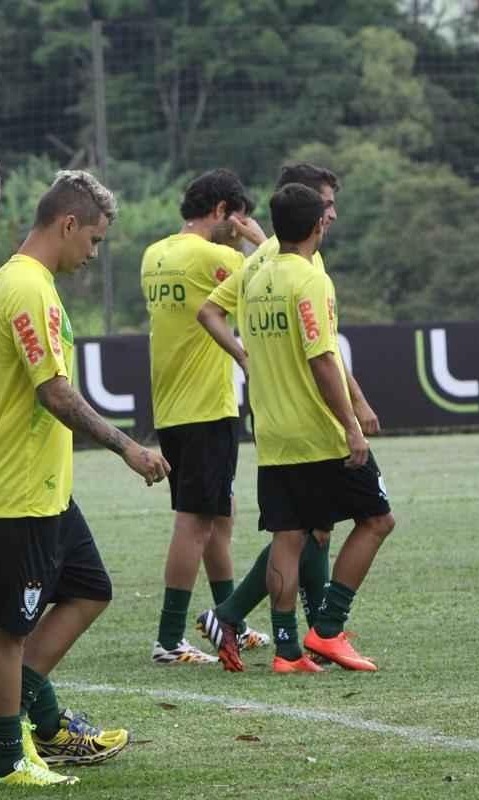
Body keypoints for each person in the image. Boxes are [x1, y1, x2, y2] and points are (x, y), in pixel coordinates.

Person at [0, 170, 171, 786]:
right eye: (96, 240)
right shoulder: (27, 288)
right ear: (68, 223)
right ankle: (10, 758)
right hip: (12, 491)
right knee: (9, 628)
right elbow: (54, 392)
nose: (94, 254)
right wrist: (128, 446)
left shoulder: (20, 282)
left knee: (90, 589)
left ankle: (13, 710)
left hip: (44, 490)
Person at [197, 183, 395, 674]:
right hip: (316, 433)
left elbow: (212, 313)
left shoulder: (254, 275)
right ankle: (328, 629)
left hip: (272, 433)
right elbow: (324, 360)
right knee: (377, 520)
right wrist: (352, 427)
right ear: (316, 226)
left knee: (290, 537)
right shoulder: (309, 280)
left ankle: (287, 652)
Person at [140, 169, 271, 666]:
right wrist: (257, 241)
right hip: (206, 404)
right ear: (222, 211)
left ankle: (228, 619)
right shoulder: (218, 257)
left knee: (220, 516)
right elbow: (272, 277)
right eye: (236, 218)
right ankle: (169, 639)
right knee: (195, 522)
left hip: (172, 402)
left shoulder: (154, 255)